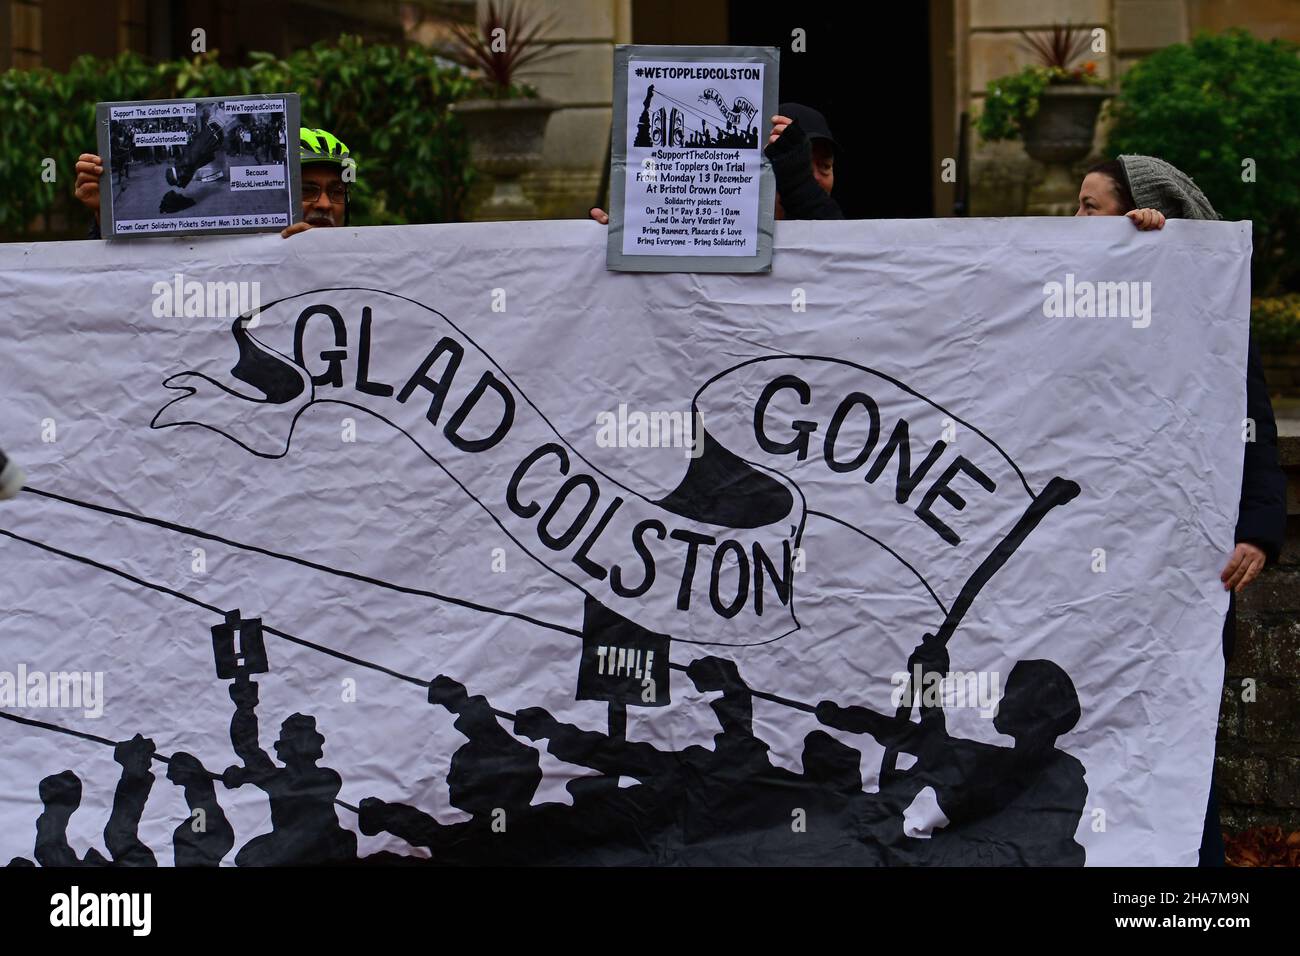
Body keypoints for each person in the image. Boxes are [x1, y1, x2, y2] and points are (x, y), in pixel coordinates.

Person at [1076, 155, 1289, 866]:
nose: (1074, 222)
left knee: (1175, 728)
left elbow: (1248, 416)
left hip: (1182, 570)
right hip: (1095, 566)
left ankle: (1194, 878)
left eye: (1091, 207)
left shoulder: (1203, 311)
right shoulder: (1067, 302)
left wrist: (1259, 530)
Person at [72, 125, 354, 240]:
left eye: (337, 192)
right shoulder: (228, 262)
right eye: (308, 190)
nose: (326, 204)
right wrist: (105, 213)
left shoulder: (369, 266)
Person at [588, 101, 840, 224]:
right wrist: (625, 240)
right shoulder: (717, 230)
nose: (815, 178)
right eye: (803, 167)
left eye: (825, 167)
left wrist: (798, 185)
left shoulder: (845, 239)